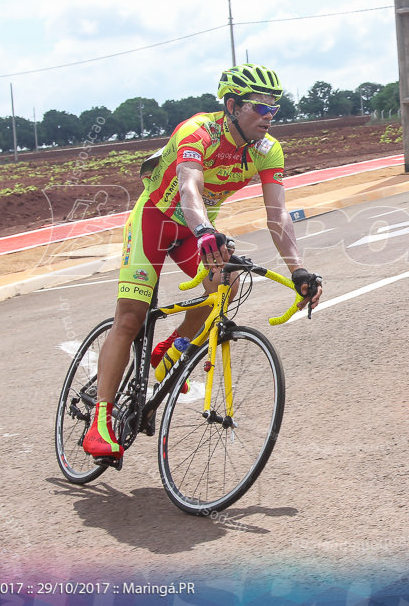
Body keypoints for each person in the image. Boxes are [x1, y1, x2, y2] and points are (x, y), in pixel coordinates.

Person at [82, 63, 323, 460]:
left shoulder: (268, 149)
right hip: (156, 221)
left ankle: (172, 347)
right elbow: (190, 186)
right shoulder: (198, 131)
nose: (268, 116)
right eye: (259, 107)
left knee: (226, 285)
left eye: (274, 108)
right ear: (231, 105)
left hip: (198, 228)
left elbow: (277, 214)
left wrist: (297, 268)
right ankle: (100, 421)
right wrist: (204, 231)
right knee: (130, 317)